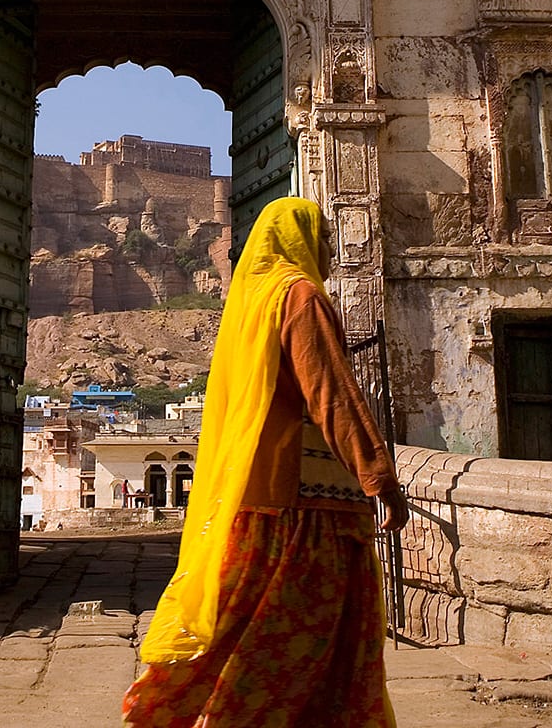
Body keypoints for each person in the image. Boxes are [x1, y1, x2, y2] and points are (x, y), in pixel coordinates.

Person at [122, 197, 409, 728]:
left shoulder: (250, 300)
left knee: (240, 630)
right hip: (307, 508)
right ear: (300, 240)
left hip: (250, 500)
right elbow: (331, 394)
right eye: (322, 237)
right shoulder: (300, 297)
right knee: (309, 640)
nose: (326, 249)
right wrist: (379, 476)